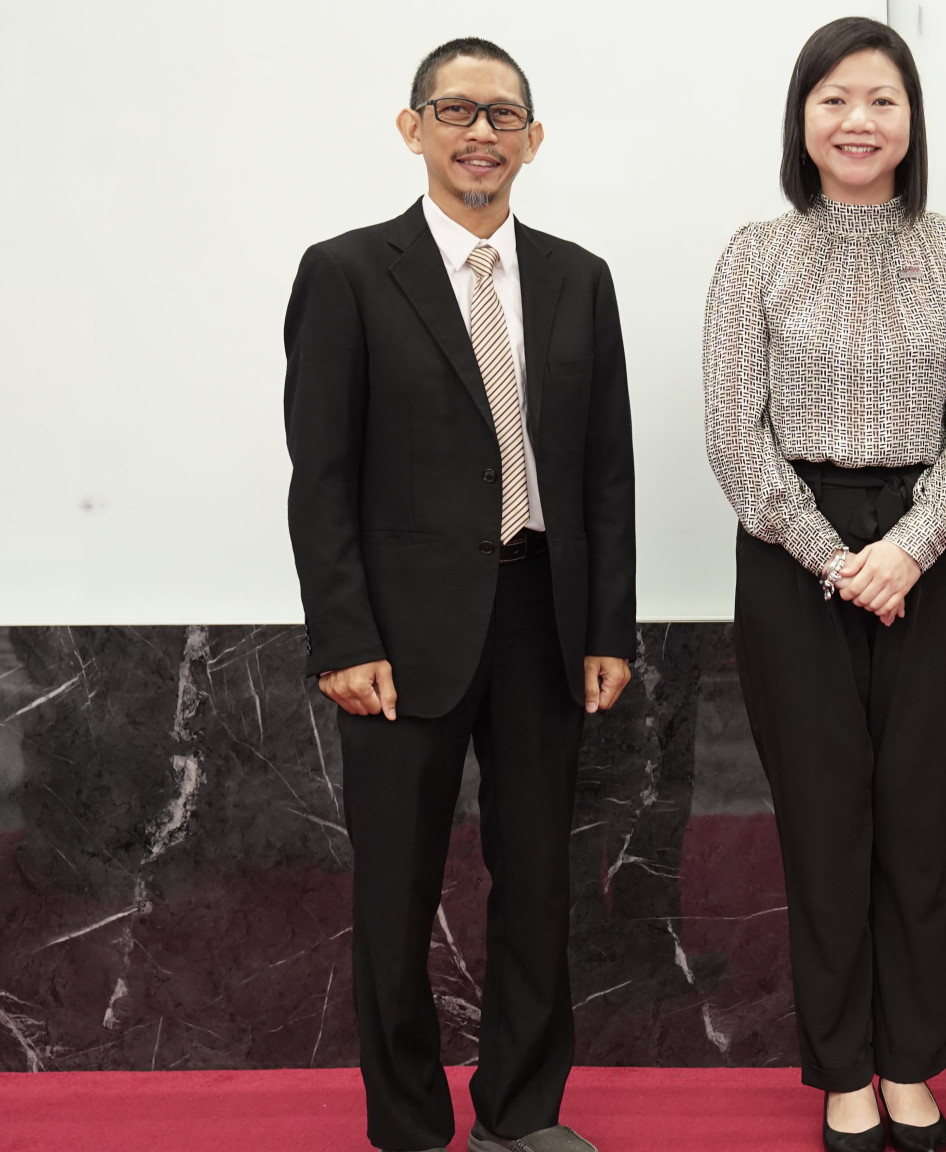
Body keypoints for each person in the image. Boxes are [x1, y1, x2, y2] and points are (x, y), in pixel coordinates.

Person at [283, 37, 635, 1152]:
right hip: (399, 633)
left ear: (534, 139)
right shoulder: (347, 273)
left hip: (543, 619)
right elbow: (320, 476)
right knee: (396, 892)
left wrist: (607, 627)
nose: (481, 133)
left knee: (538, 884)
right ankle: (408, 1126)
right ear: (413, 128)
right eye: (456, 111)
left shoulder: (578, 278)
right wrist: (343, 636)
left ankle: (521, 1113)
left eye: (503, 115)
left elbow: (605, 472)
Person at [703, 16, 946, 1152]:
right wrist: (833, 555)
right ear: (802, 119)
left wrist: (911, 546)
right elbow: (733, 434)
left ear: (911, 120)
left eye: (882, 99)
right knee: (826, 823)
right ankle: (843, 1071)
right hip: (796, 561)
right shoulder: (755, 253)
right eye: (834, 98)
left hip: (927, 553)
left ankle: (911, 1063)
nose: (858, 121)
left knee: (921, 824)